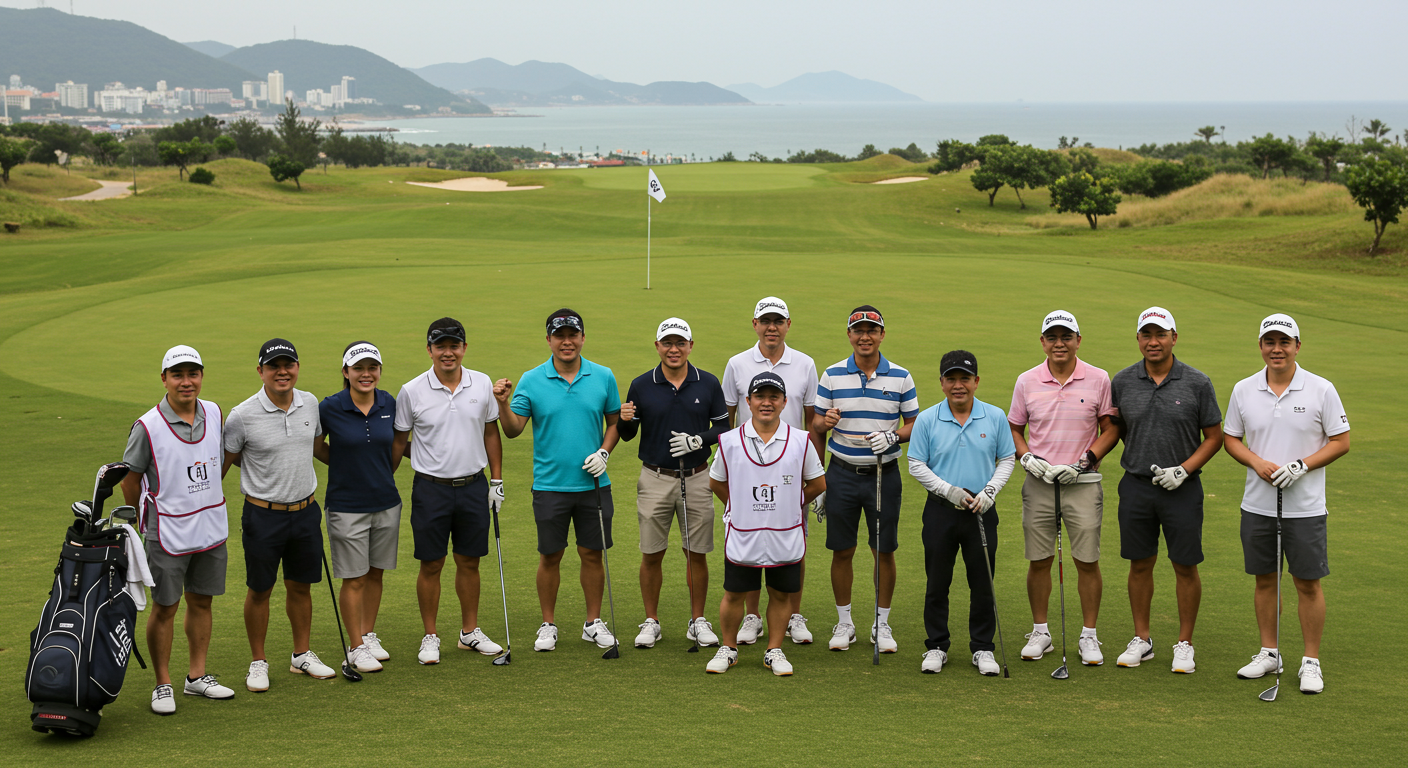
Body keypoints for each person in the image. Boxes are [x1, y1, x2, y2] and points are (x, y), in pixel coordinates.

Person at [1223, 314, 1349, 694]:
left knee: (1307, 583)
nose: (1276, 349)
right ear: (1260, 346)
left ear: (1297, 345)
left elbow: (1340, 441)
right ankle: (1269, 651)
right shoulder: (1244, 389)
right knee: (1265, 580)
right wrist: (1256, 461)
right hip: (1257, 504)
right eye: (1269, 342)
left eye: (1284, 342)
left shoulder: (1321, 389)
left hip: (1305, 507)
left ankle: (1310, 661)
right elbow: (1232, 439)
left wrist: (1301, 465)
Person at [495, 309, 622, 652]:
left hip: (594, 484)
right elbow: (512, 429)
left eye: (573, 335)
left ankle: (593, 622)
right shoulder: (532, 379)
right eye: (559, 336)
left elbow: (615, 422)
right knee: (550, 555)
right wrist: (504, 405)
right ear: (549, 340)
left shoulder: (603, 376)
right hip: (550, 485)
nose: (567, 342)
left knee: (592, 554)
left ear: (583, 338)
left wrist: (605, 452)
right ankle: (548, 624)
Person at [1109, 307, 1223, 674]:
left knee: (1185, 566)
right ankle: (1142, 639)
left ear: (1174, 337)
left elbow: (1214, 436)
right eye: (1146, 335)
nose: (1153, 342)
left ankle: (1185, 643)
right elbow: (1120, 428)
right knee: (1139, 564)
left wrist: (1184, 469)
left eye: (1160, 334)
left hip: (1183, 488)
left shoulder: (1197, 382)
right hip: (1137, 486)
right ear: (1138, 339)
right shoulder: (1123, 381)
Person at [122, 345, 235, 715]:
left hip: (208, 524)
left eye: (193, 374)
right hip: (166, 530)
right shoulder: (147, 426)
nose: (186, 382)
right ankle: (163, 683)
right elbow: (130, 480)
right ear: (164, 379)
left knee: (202, 600)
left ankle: (197, 677)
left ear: (201, 376)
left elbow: (213, 461)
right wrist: (145, 519)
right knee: (166, 606)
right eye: (178, 375)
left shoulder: (216, 412)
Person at [222, 338, 336, 691]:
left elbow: (317, 448)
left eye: (288, 365)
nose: (282, 372)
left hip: (305, 511)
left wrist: (364, 463)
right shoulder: (241, 415)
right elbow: (225, 462)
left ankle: (301, 654)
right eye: (274, 366)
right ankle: (258, 661)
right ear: (261, 371)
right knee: (260, 589)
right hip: (262, 515)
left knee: (301, 586)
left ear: (297, 368)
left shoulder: (311, 404)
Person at [1008, 311, 1119, 666]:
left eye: (1066, 336)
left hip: (1082, 483)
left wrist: (1085, 461)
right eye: (1052, 337)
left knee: (1086, 560)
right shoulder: (1026, 381)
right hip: (1039, 482)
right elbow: (1014, 429)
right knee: (1039, 559)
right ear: (1043, 342)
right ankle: (1041, 632)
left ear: (1078, 340)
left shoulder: (1099, 378)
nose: (1059, 343)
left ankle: (1089, 636)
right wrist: (1026, 459)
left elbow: (1111, 429)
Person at [392, 319, 505, 665]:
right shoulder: (411, 391)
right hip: (430, 489)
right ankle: (430, 636)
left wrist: (497, 480)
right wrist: (386, 476)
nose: (448, 352)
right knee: (431, 563)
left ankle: (469, 632)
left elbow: (490, 433)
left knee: (469, 561)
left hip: (473, 486)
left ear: (464, 348)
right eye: (440, 346)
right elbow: (400, 440)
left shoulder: (482, 383)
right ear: (429, 350)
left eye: (454, 345)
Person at [618, 318, 730, 649]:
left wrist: (698, 440)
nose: (674, 349)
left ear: (690, 346)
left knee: (696, 552)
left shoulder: (707, 383)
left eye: (680, 343)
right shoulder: (641, 385)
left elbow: (724, 429)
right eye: (667, 343)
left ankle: (697, 620)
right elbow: (627, 435)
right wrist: (624, 421)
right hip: (654, 478)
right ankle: (651, 620)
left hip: (696, 477)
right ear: (657, 347)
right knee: (652, 552)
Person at [812, 305, 918, 654]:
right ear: (849, 335)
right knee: (842, 550)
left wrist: (894, 437)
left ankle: (881, 623)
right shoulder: (831, 375)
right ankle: (844, 623)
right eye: (858, 330)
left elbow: (914, 423)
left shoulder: (901, 376)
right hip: (841, 474)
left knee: (883, 550)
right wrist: (818, 480)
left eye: (872, 330)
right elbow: (815, 426)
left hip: (884, 475)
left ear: (882, 335)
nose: (865, 336)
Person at [705, 372, 826, 676]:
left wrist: (791, 502)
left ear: (785, 402)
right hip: (744, 532)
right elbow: (717, 482)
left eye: (774, 397)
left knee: (781, 593)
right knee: (734, 593)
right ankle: (729, 648)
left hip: (784, 532)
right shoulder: (730, 441)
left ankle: (774, 650)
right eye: (760, 397)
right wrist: (736, 506)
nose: (766, 403)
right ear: (748, 401)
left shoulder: (801, 440)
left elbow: (818, 483)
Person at [908, 351, 1017, 675]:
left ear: (976, 382)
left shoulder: (994, 416)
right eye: (951, 379)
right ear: (942, 383)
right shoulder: (928, 419)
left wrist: (989, 493)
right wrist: (948, 491)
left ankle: (983, 647)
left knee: (983, 581)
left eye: (965, 379)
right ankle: (937, 646)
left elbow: (1006, 459)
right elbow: (916, 464)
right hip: (941, 511)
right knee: (937, 582)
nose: (959, 385)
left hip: (981, 512)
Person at [720, 296, 820, 645]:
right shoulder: (736, 363)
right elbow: (729, 419)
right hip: (748, 470)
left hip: (791, 469)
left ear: (788, 325)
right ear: (755, 324)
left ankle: (792, 614)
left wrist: (813, 480)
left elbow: (811, 422)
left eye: (778, 321)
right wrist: (733, 490)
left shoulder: (805, 364)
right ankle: (751, 616)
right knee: (748, 545)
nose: (772, 327)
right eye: (765, 321)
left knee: (794, 541)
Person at [313, 341, 404, 673]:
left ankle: (367, 634)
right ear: (346, 372)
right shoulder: (330, 407)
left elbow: (397, 443)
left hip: (386, 501)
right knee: (354, 577)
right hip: (346, 505)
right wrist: (342, 464)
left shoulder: (388, 402)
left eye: (372, 368)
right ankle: (354, 647)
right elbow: (316, 445)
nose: (366, 374)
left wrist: (382, 470)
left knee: (376, 571)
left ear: (379, 370)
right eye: (358, 368)